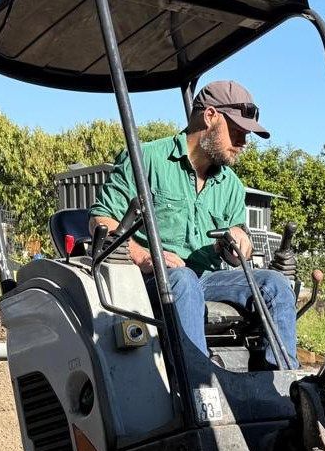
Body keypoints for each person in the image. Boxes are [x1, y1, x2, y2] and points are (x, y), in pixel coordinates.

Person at [90, 80, 298, 369]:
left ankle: (283, 390)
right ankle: (200, 385)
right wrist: (143, 256)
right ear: (210, 116)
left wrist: (238, 243)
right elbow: (101, 218)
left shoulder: (231, 186)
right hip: (150, 280)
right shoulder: (146, 159)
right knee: (184, 279)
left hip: (207, 280)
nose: (243, 143)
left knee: (274, 283)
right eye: (237, 132)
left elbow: (237, 242)